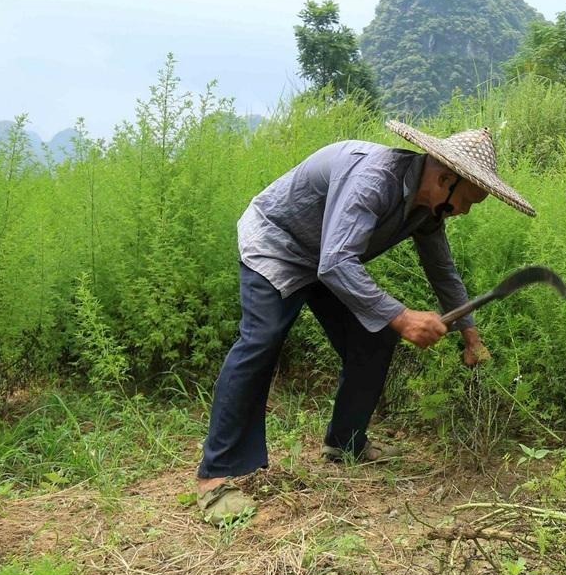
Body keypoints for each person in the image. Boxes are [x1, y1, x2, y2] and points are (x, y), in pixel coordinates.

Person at [195, 121, 535, 525]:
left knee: (374, 338)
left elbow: (442, 271)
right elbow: (337, 262)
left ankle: (345, 443)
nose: (464, 211)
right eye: (469, 201)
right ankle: (215, 475)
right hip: (278, 243)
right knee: (262, 340)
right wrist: (404, 317)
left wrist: (471, 336)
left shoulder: (426, 209)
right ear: (445, 179)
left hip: (328, 259)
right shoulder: (373, 179)